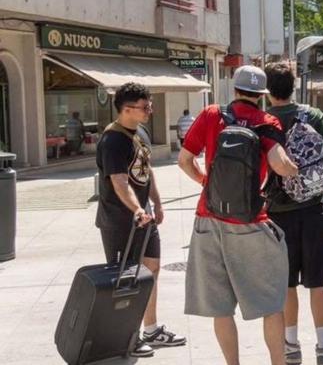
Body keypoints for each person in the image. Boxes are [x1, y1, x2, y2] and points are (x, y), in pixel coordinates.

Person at [177, 65, 299, 365]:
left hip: (208, 217)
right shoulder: (266, 122)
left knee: (220, 308)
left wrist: (206, 183)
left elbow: (184, 160)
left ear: (234, 89)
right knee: (271, 303)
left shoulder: (211, 114)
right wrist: (294, 168)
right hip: (249, 222)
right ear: (262, 94)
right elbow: (280, 165)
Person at [95, 82, 186, 358]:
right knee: (126, 280)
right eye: (145, 107)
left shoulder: (140, 132)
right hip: (120, 221)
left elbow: (147, 171)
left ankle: (151, 330)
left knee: (151, 270)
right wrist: (137, 209)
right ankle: (127, 337)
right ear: (126, 109)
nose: (150, 111)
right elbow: (119, 182)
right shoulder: (112, 141)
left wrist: (156, 202)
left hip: (144, 218)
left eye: (150, 105)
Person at [264, 61, 323, 365]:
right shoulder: (313, 115)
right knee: (318, 282)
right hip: (314, 210)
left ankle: (291, 345)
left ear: (268, 90)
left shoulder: (264, 121)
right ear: (294, 85)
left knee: (287, 284)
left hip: (278, 213)